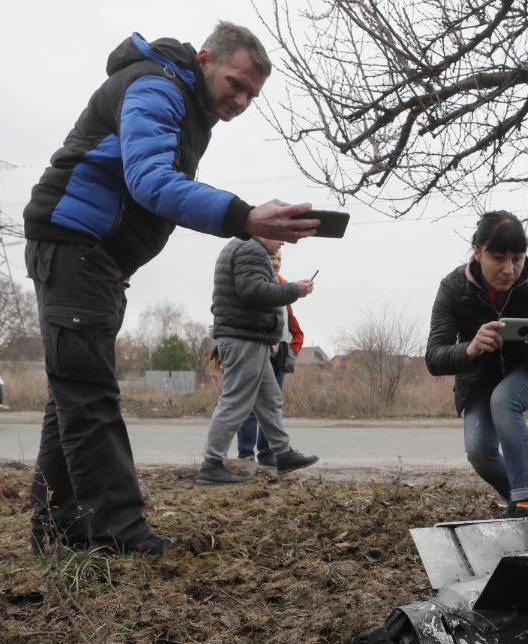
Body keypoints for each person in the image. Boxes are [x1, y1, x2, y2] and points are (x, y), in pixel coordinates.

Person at [22, 21, 319, 555]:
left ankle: (59, 527)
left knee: (73, 392)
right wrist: (245, 215)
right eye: (237, 83)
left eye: (253, 94)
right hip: (73, 245)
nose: (243, 100)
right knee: (88, 394)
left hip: (98, 258)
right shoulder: (157, 87)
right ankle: (118, 533)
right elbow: (150, 181)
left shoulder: (191, 108)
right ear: (205, 59)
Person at [425, 211, 528, 518]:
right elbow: (434, 356)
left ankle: (526, 505)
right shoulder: (454, 286)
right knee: (479, 453)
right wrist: (469, 348)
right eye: (498, 258)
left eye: (517, 257)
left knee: (505, 400)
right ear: (477, 252)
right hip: (478, 378)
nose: (509, 269)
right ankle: (517, 500)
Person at [198, 237, 319, 484]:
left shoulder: (242, 246)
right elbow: (254, 291)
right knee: (235, 401)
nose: (284, 244)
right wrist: (295, 290)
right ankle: (211, 464)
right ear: (268, 228)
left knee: (269, 398)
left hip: (251, 338)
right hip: (245, 338)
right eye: (282, 237)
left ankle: (283, 454)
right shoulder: (250, 248)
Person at [235, 244, 304, 472]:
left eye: (279, 259)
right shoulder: (254, 284)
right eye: (272, 257)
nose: (276, 262)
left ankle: (267, 454)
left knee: (273, 405)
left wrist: (293, 350)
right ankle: (245, 455)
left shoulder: (283, 286)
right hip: (257, 351)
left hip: (279, 357)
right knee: (250, 406)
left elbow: (295, 327)